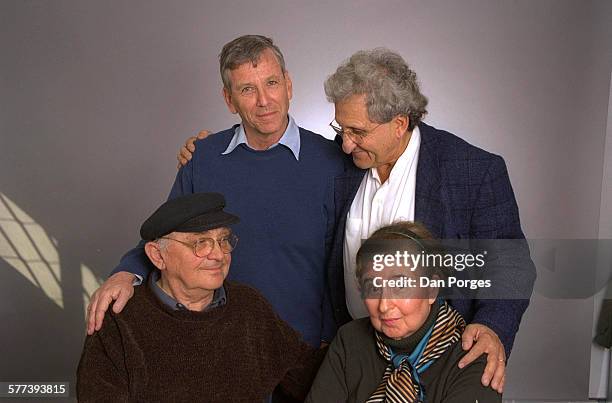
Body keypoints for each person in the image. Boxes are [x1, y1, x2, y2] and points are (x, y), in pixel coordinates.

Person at [177, 47, 536, 393]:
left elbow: (511, 267)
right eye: (341, 128)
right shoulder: (343, 163)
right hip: (351, 353)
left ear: (399, 123)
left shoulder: (471, 171)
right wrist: (207, 152)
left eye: (358, 132)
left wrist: (492, 327)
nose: (345, 144)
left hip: (439, 358)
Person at [86, 35, 347, 351]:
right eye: (247, 89)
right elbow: (165, 237)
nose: (264, 100)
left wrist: (328, 339)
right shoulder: (204, 159)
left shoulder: (333, 163)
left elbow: (341, 267)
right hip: (221, 345)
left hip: (304, 349)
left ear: (288, 85)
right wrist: (126, 272)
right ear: (229, 99)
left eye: (272, 83)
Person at [77, 192, 323, 402]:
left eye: (223, 240)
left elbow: (310, 377)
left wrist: (356, 343)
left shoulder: (250, 306)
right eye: (201, 243)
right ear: (157, 256)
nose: (218, 254)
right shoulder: (120, 321)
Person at [305, 222, 502, 403]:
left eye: (400, 285)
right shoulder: (349, 341)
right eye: (373, 287)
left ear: (431, 290)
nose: (383, 306)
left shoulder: (473, 357)